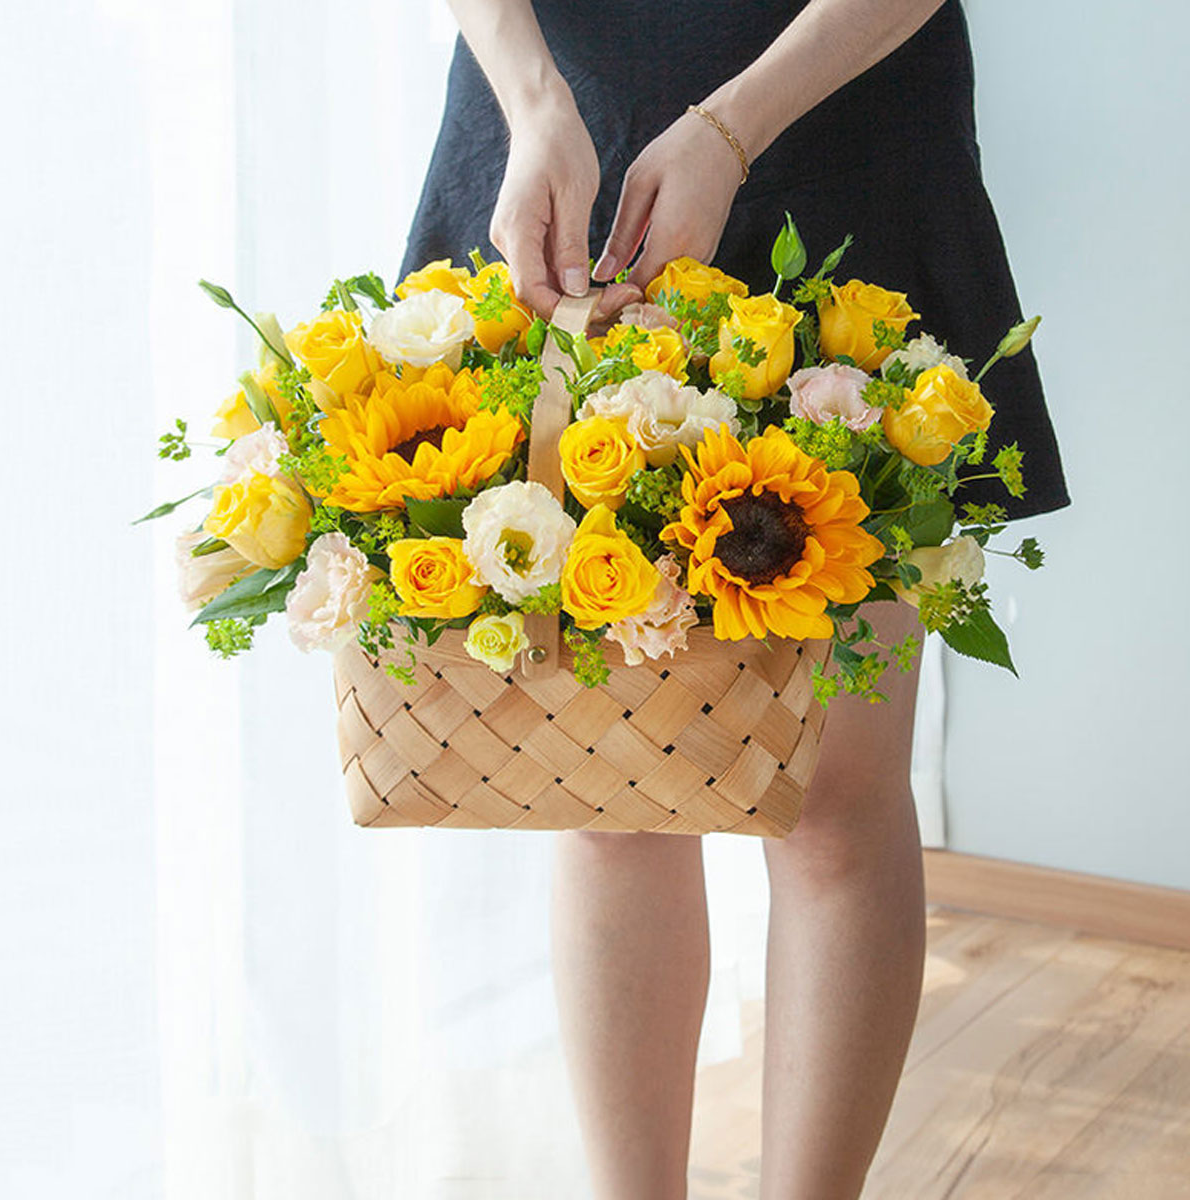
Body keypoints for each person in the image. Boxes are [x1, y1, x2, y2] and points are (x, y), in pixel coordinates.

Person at [397, 2, 1070, 1196]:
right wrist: (534, 99)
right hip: (556, 119)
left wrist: (734, 125)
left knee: (834, 792)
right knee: (605, 783)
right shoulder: (541, 110)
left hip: (834, 100)